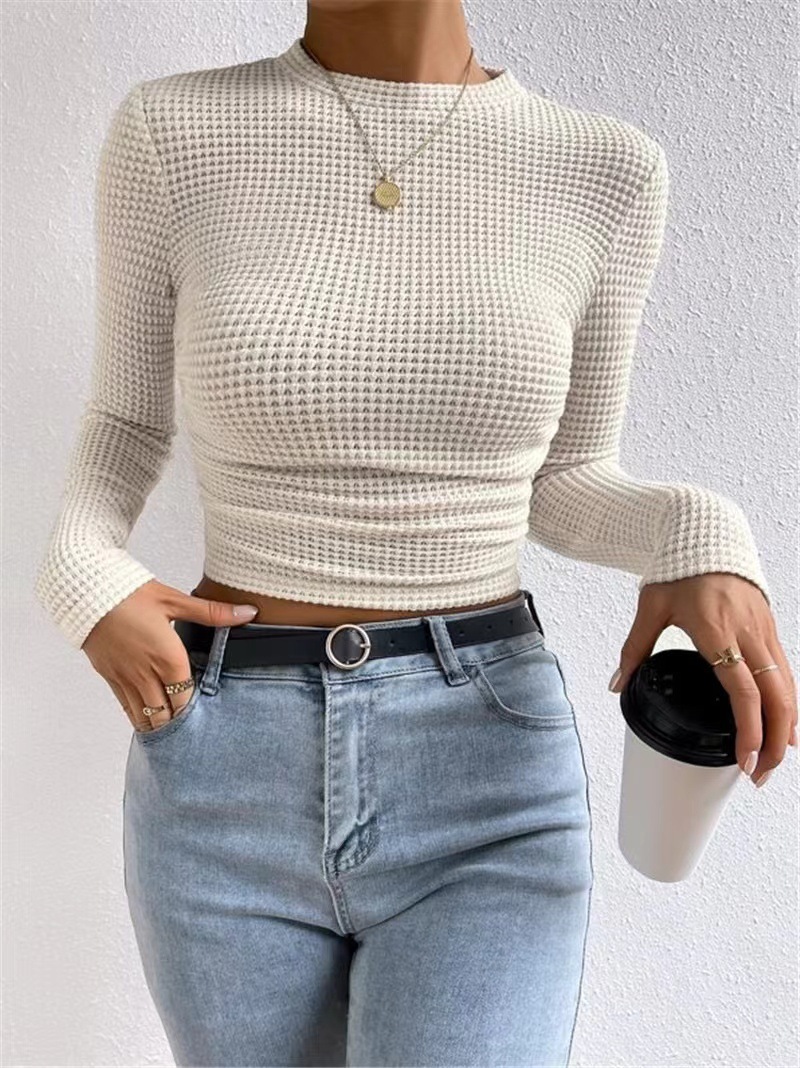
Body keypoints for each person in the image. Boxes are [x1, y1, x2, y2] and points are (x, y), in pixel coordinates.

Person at [34, 1, 796, 1065]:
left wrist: (702, 532)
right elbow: (123, 424)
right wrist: (83, 575)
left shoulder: (606, 170)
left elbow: (565, 480)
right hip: (223, 769)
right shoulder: (174, 131)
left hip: (483, 771)